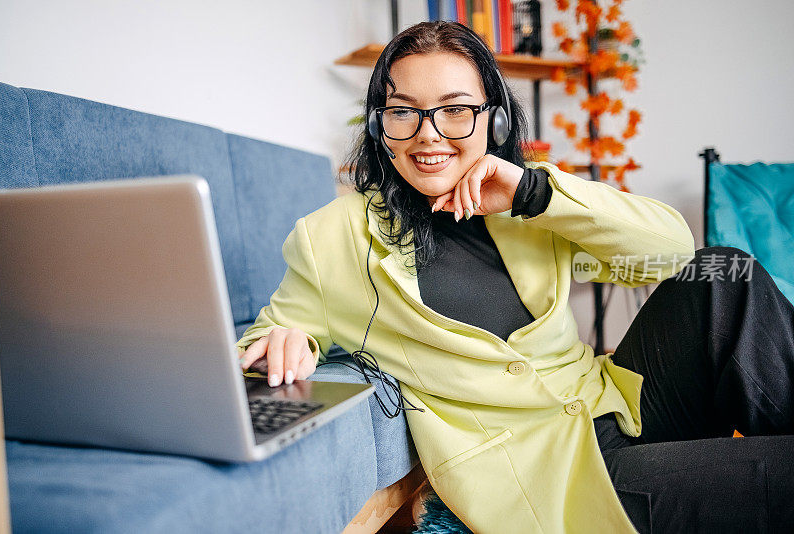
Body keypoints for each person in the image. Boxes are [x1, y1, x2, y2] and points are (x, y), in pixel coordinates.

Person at [236, 21, 794, 533]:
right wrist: (279, 343)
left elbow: (671, 253)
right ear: (383, 125)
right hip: (548, 472)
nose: (427, 136)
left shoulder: (526, 204)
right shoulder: (333, 236)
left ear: (494, 118)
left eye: (455, 110)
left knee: (727, 276)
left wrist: (534, 192)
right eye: (403, 111)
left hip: (610, 405)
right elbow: (265, 337)